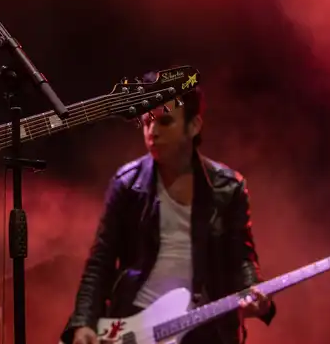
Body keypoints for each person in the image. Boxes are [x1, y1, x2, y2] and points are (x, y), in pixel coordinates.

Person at [61, 82, 275, 344]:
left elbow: (242, 257)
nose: (152, 132)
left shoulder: (228, 187)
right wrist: (84, 322)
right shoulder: (128, 183)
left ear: (194, 126)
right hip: (137, 326)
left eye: (165, 122)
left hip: (205, 329)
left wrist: (252, 291)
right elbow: (101, 262)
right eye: (147, 122)